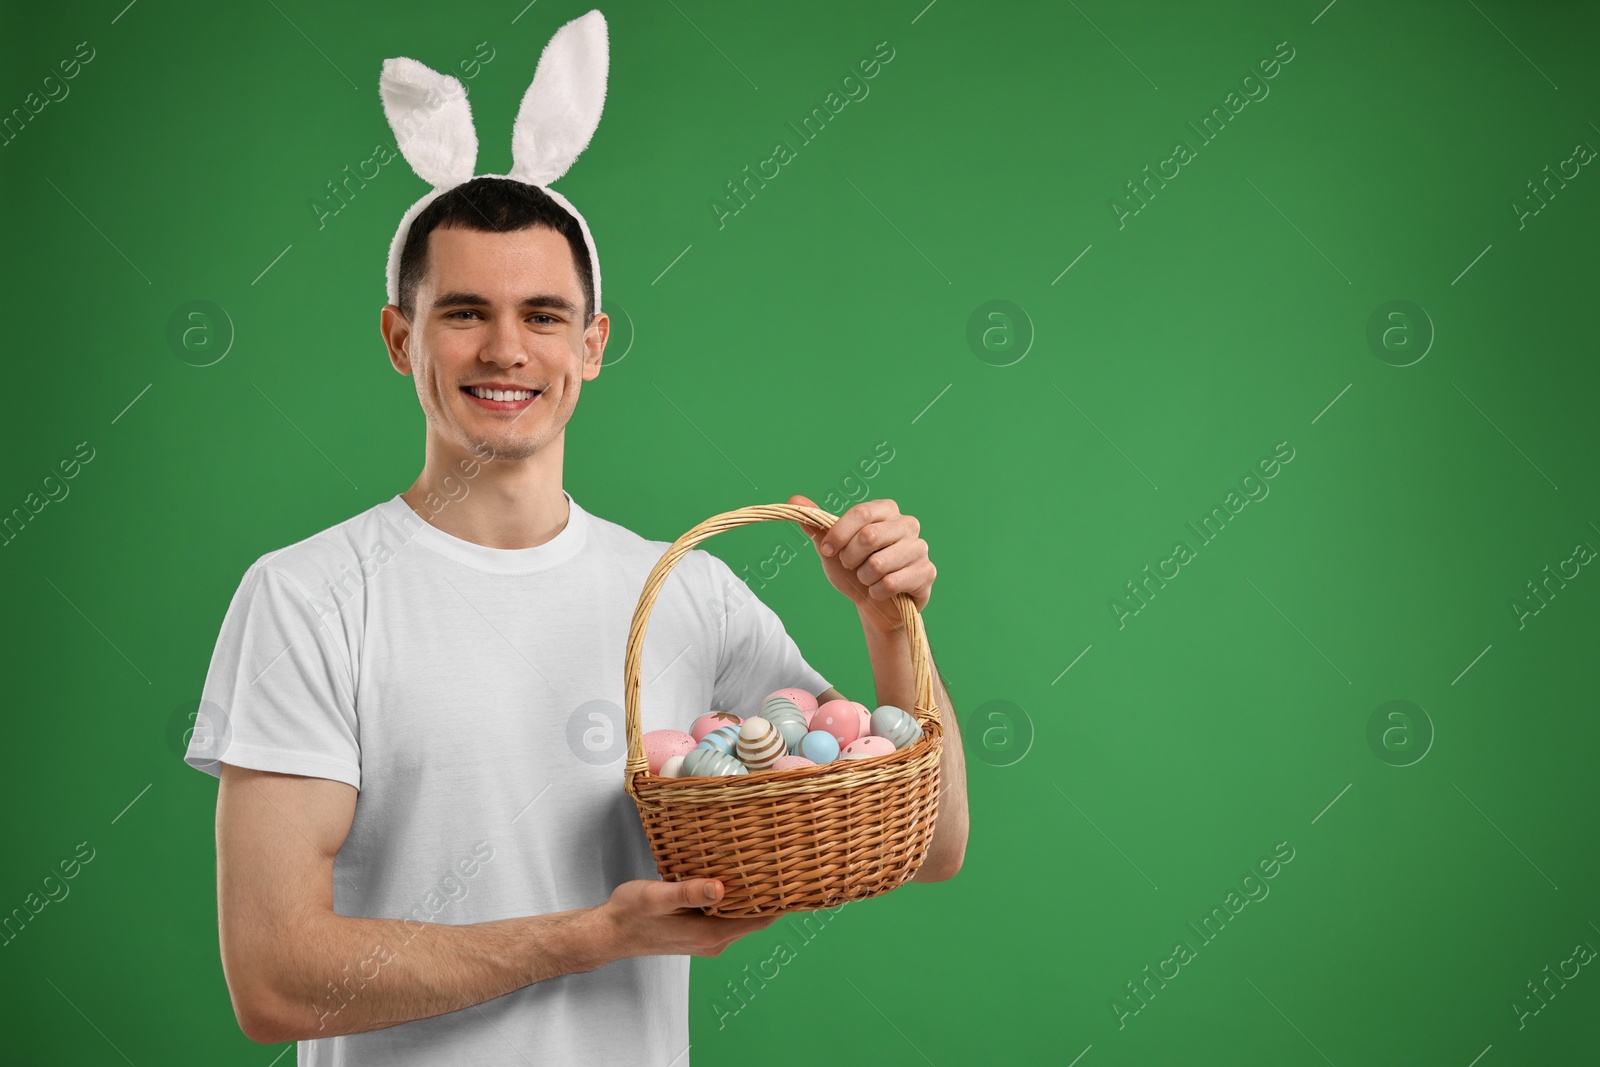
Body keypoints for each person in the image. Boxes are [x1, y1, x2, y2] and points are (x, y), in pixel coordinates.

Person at [186, 164, 967, 1064]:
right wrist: (595, 937)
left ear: (593, 345)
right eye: (465, 312)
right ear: (402, 339)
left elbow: (930, 842)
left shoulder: (684, 591)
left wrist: (886, 623)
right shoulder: (306, 596)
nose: (507, 351)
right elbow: (275, 977)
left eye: (544, 315)